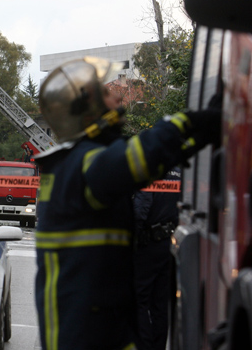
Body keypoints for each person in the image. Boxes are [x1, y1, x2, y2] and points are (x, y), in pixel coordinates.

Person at [34, 57, 220, 350]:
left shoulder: (73, 163)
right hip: (86, 338)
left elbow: (144, 168)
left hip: (97, 328)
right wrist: (185, 122)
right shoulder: (84, 165)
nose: (118, 98)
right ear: (88, 110)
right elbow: (134, 160)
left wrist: (191, 143)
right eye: (108, 94)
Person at [133, 167, 181, 350]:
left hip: (148, 244)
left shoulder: (151, 171)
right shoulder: (179, 170)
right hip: (170, 243)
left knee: (139, 300)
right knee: (160, 304)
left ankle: (145, 346)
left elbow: (140, 210)